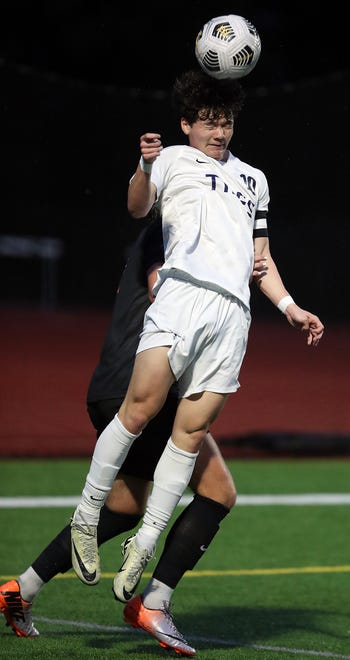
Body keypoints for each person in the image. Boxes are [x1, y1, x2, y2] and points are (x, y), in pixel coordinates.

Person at [70, 68, 324, 628]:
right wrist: (143, 164)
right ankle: (86, 517)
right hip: (181, 297)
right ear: (187, 123)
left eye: (227, 122)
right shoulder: (172, 161)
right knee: (137, 410)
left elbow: (262, 260)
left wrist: (289, 307)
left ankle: (143, 546)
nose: (220, 131)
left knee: (188, 436)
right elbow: (138, 208)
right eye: (209, 122)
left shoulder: (254, 179)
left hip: (232, 316)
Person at [0, 215, 267, 655]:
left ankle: (20, 589)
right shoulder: (179, 225)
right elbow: (160, 287)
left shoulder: (176, 226)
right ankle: (155, 602)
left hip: (113, 385)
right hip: (142, 388)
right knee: (218, 492)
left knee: (124, 506)